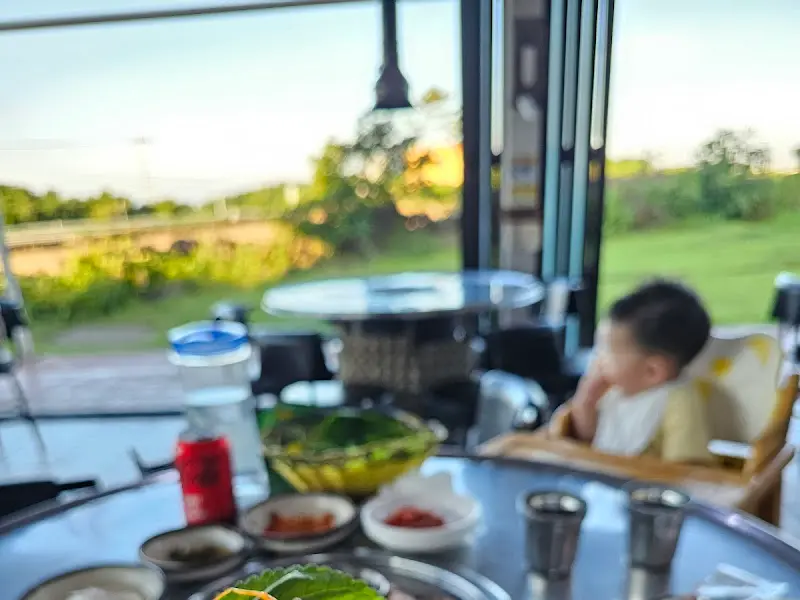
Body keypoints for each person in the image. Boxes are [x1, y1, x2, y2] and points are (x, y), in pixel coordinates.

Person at [566, 279, 714, 463]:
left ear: (652, 371)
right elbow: (589, 440)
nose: (597, 360)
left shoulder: (679, 402)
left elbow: (685, 468)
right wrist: (586, 403)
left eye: (607, 352)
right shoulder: (612, 389)